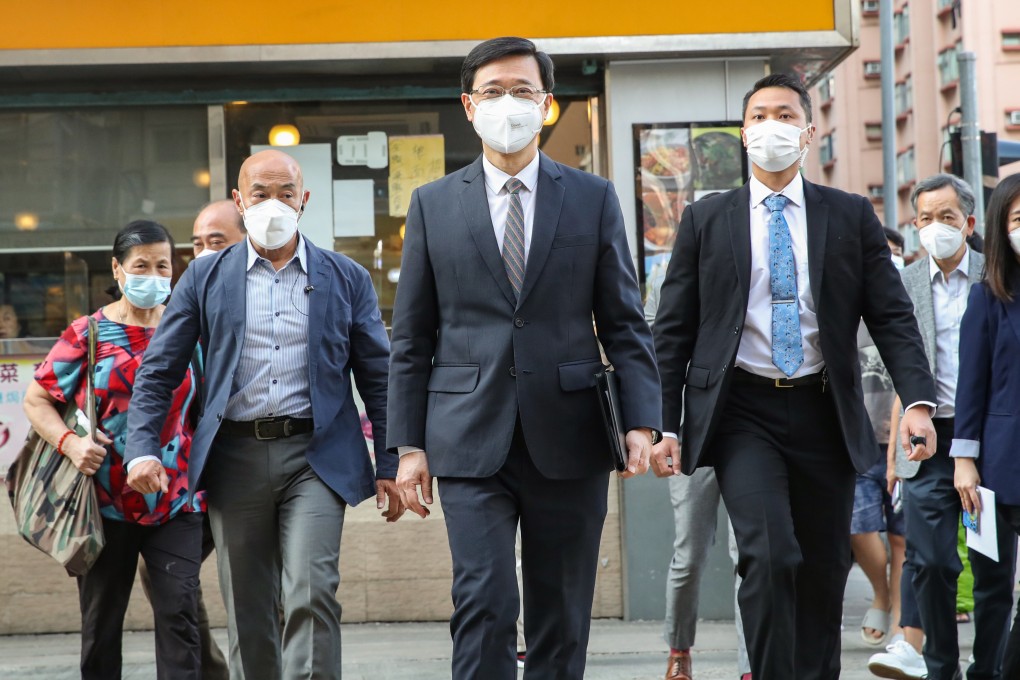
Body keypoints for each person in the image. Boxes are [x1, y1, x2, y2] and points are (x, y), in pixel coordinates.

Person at [387, 36, 662, 680]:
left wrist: (641, 419)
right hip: (465, 433)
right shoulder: (433, 203)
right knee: (483, 599)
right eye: (492, 92)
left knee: (561, 607)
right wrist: (407, 445)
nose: (506, 104)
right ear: (467, 105)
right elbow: (412, 336)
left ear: (546, 106)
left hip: (570, 429)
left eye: (522, 91)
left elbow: (623, 320)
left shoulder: (592, 198)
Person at [651, 73, 937, 679]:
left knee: (823, 566)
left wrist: (917, 401)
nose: (771, 125)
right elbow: (673, 329)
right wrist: (662, 423)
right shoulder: (707, 218)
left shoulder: (850, 215)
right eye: (758, 115)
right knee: (770, 553)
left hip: (823, 411)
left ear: (808, 132)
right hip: (742, 413)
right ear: (743, 133)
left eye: (785, 114)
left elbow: (892, 317)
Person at [125, 149, 399, 680]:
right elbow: (158, 371)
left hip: (316, 458)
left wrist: (389, 460)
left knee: (312, 590)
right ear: (238, 201)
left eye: (286, 194)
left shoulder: (346, 278)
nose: (273, 204)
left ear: (304, 201)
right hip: (236, 457)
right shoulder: (204, 280)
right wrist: (141, 449)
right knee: (249, 606)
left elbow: (378, 379)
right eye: (260, 194)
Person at [22, 220, 204, 679]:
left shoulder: (189, 333)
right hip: (104, 504)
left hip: (176, 498)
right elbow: (37, 398)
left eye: (163, 265)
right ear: (118, 270)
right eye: (141, 265)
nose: (153, 275)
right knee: (102, 625)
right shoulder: (88, 334)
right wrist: (70, 443)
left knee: (180, 614)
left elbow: (204, 409)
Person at [868, 173, 1003, 680]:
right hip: (926, 438)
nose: (935, 228)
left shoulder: (997, 279)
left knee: (991, 567)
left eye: (946, 217)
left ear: (968, 223)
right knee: (933, 562)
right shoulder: (901, 283)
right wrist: (894, 448)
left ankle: (986, 667)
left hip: (990, 439)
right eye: (925, 219)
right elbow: (900, 366)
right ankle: (940, 666)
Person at [137, 200, 248, 680]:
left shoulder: (261, 303)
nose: (204, 254)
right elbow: (157, 379)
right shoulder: (190, 302)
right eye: (197, 245)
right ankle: (214, 672)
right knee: (171, 580)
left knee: (265, 584)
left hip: (248, 469)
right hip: (187, 480)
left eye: (217, 243)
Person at [646, 198, 751, 680]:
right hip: (695, 430)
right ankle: (679, 647)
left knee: (747, 553)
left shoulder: (760, 274)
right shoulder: (677, 275)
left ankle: (752, 662)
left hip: (751, 429)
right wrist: (665, 429)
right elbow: (665, 344)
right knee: (690, 552)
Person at [953, 172, 1020, 679]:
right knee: (993, 586)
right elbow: (970, 388)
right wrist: (964, 461)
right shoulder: (988, 299)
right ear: (1000, 227)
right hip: (999, 467)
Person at [852, 227, 909, 649]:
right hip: (857, 439)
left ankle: (902, 622)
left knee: (901, 536)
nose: (888, 260)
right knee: (858, 528)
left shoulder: (909, 307)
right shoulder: (847, 308)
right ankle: (882, 591)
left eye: (895, 253)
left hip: (905, 441)